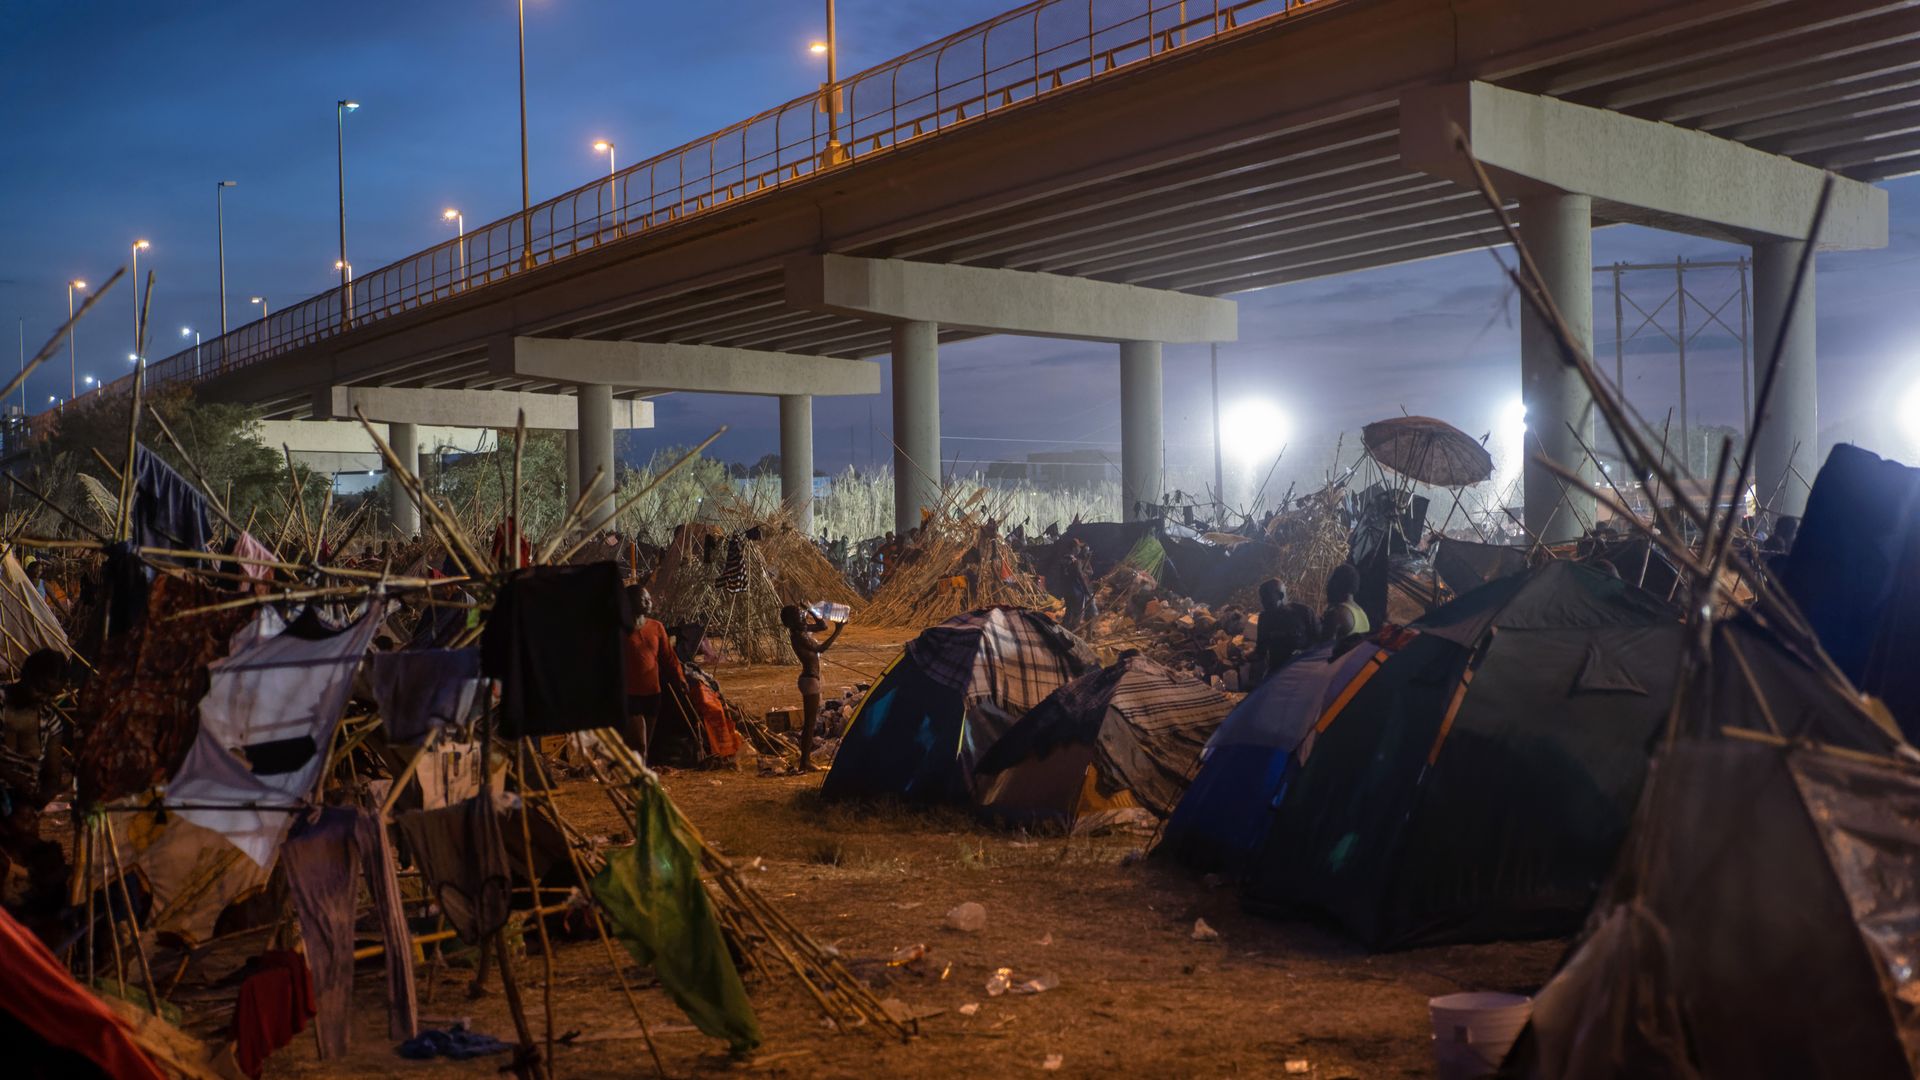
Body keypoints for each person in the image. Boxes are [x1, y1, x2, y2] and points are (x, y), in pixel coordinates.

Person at [621, 586, 686, 759]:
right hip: (629, 695)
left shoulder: (656, 627)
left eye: (649, 599)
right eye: (644, 600)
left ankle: (637, 770)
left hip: (652, 694)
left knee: (644, 746)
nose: (649, 603)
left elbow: (668, 658)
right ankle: (638, 771)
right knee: (639, 743)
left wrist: (679, 678)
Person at [781, 604, 845, 773]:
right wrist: (838, 631)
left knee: (810, 723)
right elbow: (820, 648)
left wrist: (810, 609)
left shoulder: (800, 630)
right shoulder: (799, 636)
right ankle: (805, 762)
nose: (803, 616)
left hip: (809, 679)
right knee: (809, 725)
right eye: (799, 614)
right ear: (792, 621)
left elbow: (822, 626)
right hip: (809, 681)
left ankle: (805, 761)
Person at [1251, 579, 1314, 684]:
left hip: (1305, 671)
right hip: (1278, 674)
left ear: (1280, 596)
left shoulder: (1304, 613)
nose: (1263, 603)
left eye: (1267, 598)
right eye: (1262, 599)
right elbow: (1261, 651)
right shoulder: (1264, 619)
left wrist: (1303, 653)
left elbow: (1321, 644)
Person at [1320, 563, 1371, 644]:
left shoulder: (1338, 613)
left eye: (1332, 580)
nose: (1328, 585)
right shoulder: (1361, 612)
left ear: (1338, 584)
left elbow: (1322, 647)